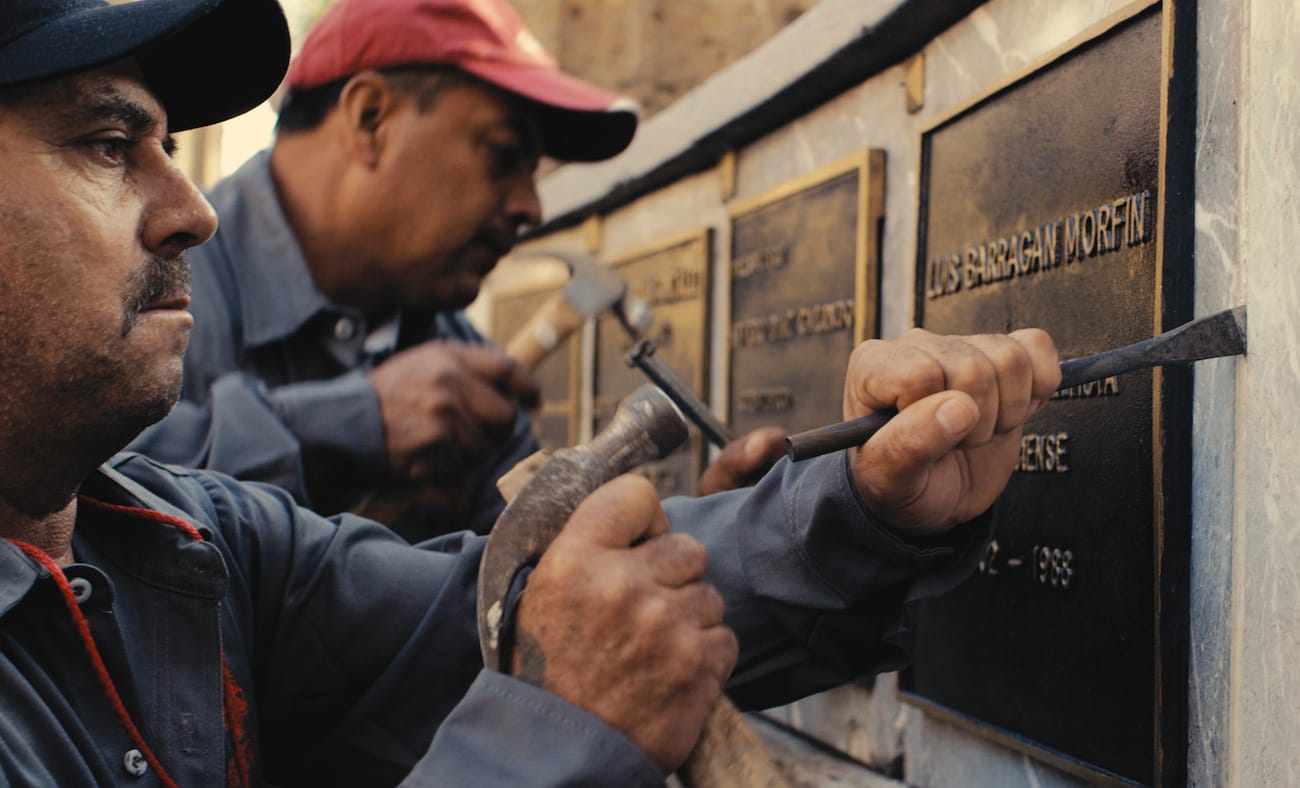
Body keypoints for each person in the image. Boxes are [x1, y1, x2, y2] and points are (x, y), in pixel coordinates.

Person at [0, 0, 1062, 784]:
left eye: (172, 147)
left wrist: (861, 506)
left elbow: (493, 609)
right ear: (368, 119)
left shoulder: (195, 547)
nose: (194, 210)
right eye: (106, 145)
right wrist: (553, 734)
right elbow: (542, 665)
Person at [125, 0, 788, 541]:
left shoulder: (456, 363)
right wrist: (354, 423)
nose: (530, 206)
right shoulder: (147, 276)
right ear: (371, 119)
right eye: (504, 155)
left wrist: (714, 538)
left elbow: (525, 577)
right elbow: (72, 491)